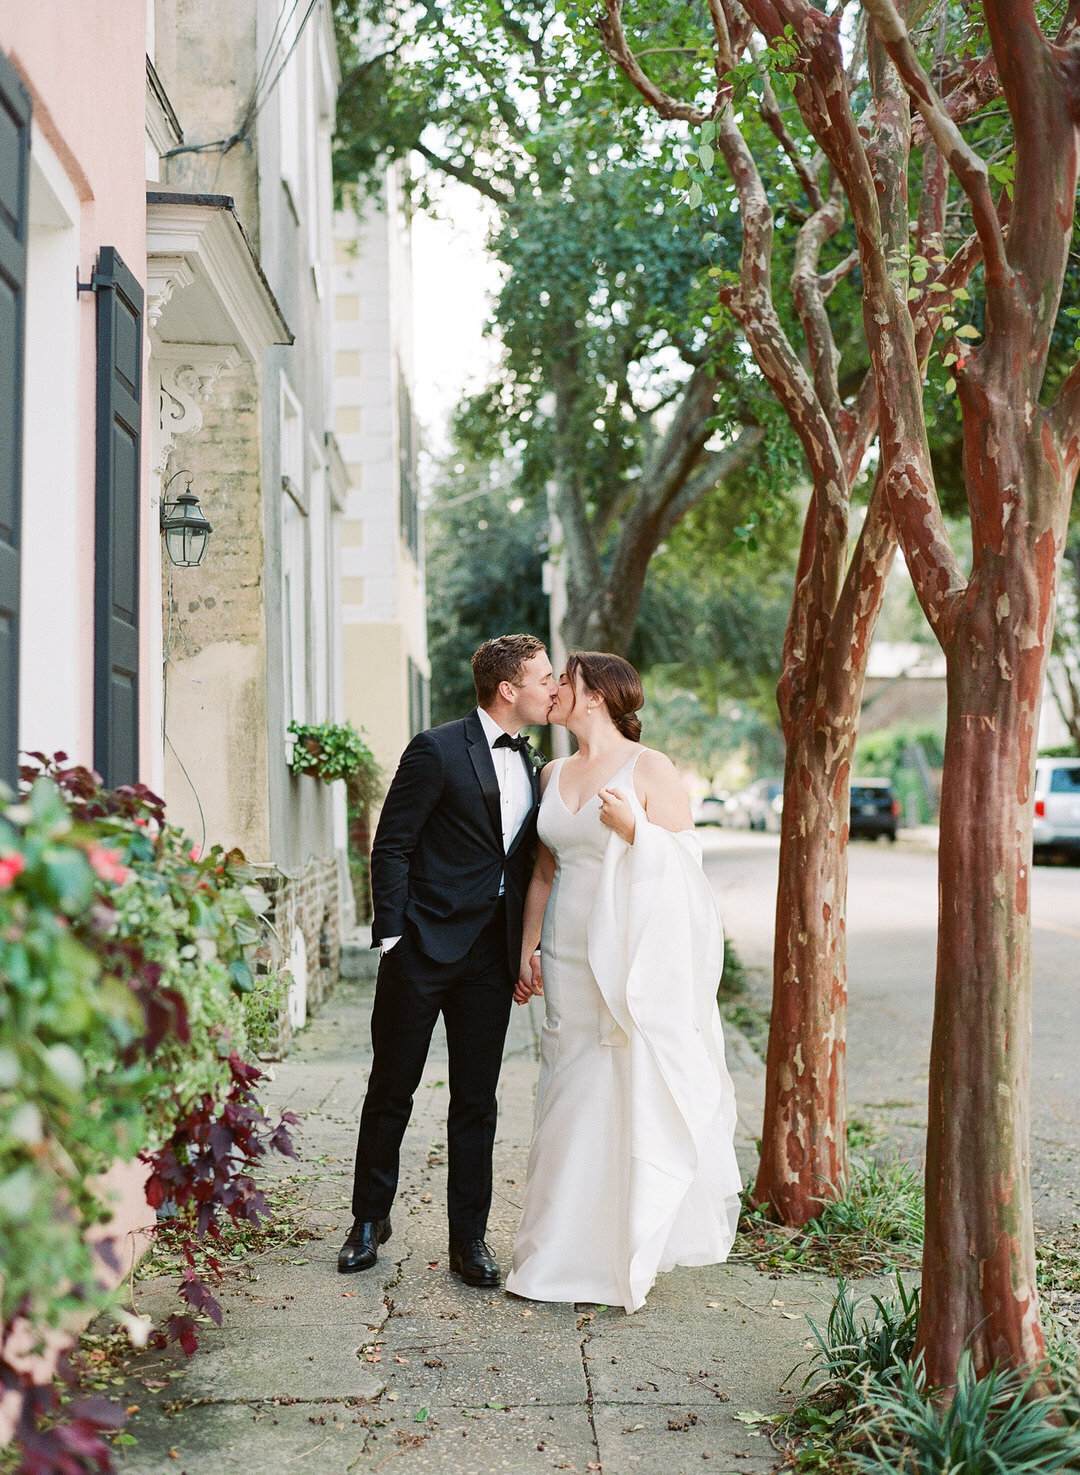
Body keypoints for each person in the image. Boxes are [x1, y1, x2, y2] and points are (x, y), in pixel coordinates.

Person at [505, 651, 741, 1313]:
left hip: (629, 960)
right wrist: (529, 946)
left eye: (564, 681)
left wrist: (639, 830)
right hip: (567, 957)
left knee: (621, 1086)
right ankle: (555, 1248)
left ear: (596, 695)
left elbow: (689, 871)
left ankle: (617, 1250)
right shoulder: (551, 771)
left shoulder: (651, 768)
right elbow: (544, 872)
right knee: (565, 1088)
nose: (553, 689)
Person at [338, 634, 557, 1288]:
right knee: (391, 1089)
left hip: (491, 957)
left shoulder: (534, 761)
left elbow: (522, 864)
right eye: (543, 677)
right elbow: (393, 845)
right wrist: (394, 938)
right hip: (422, 949)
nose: (553, 686)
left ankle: (470, 1237)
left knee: (477, 1100)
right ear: (508, 688)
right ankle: (368, 1220)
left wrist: (526, 947)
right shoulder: (436, 749)